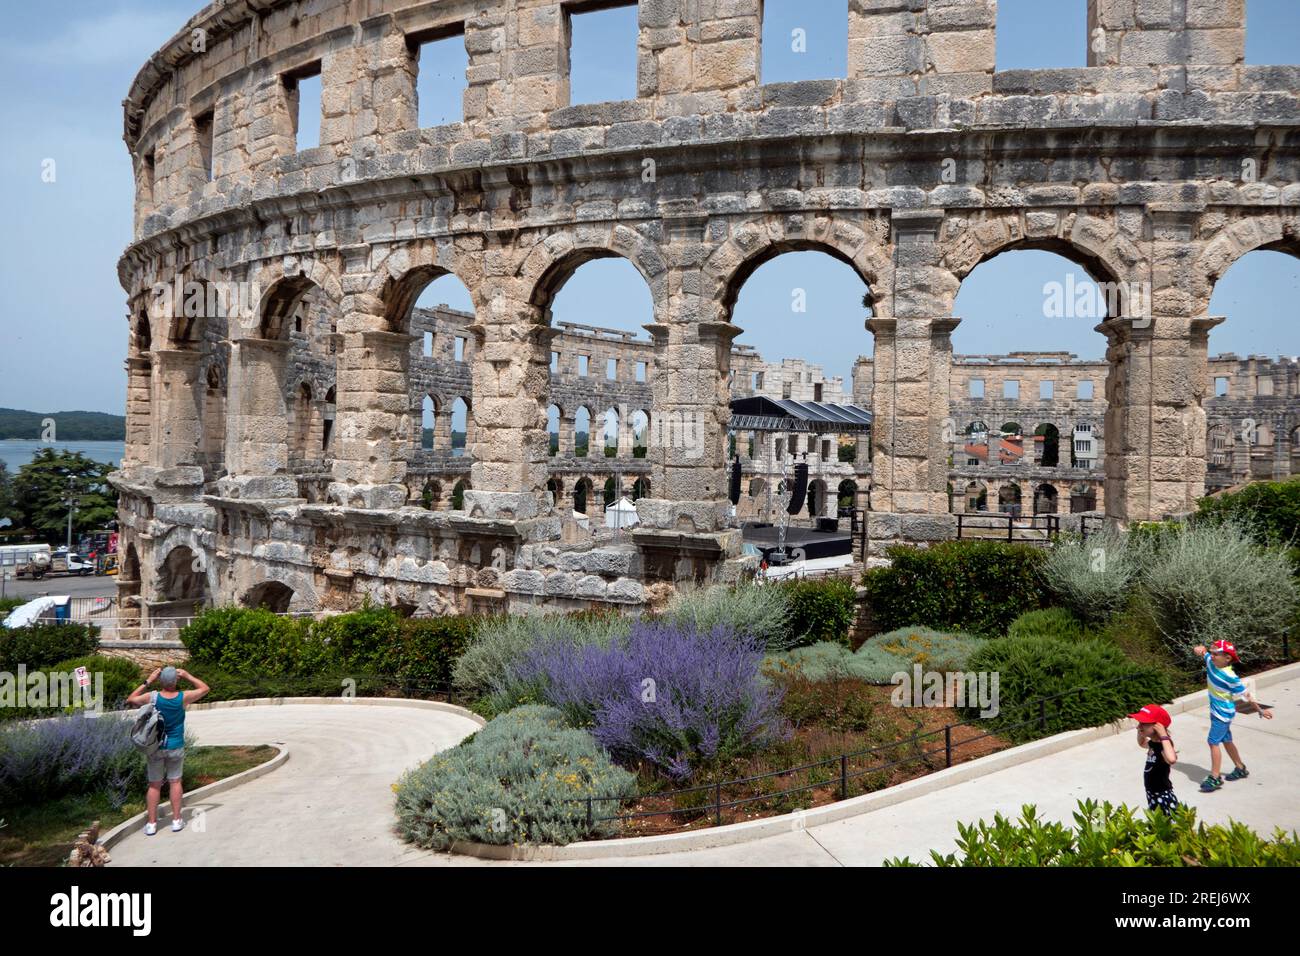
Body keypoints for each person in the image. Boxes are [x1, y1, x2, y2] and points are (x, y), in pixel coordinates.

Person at [126, 665, 210, 834]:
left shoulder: (153, 697)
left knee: (154, 785)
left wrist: (148, 680)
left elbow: (131, 698)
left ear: (161, 680)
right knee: (175, 782)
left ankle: (151, 824)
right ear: (176, 681)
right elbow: (205, 688)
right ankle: (177, 820)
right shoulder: (183, 697)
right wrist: (187, 675)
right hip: (176, 746)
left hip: (156, 746)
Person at [1192, 640, 1272, 793]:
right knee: (1227, 741)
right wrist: (1200, 650)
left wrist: (1260, 710)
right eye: (1212, 653)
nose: (1212, 656)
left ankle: (1215, 777)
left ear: (1227, 658)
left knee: (1212, 741)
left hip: (1223, 714)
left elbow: (1246, 695)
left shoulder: (1230, 677)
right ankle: (1240, 767)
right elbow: (1203, 652)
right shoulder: (1211, 661)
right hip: (1216, 711)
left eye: (1216, 654)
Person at [1128, 703, 1179, 815]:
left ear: (1158, 727)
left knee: (1168, 824)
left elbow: (1171, 759)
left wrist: (1163, 735)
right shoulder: (1153, 743)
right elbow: (1142, 743)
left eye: (1144, 723)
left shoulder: (1163, 745)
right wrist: (1140, 730)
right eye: (1139, 723)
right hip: (1152, 793)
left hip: (1163, 795)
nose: (1139, 726)